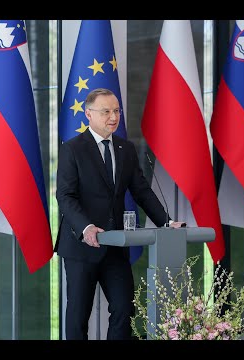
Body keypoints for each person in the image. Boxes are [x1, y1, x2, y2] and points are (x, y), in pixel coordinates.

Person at [55, 88, 185, 340]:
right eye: (106, 111)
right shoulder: (72, 149)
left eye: (116, 111)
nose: (113, 116)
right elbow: (65, 196)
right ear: (88, 114)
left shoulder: (126, 148)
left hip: (116, 245)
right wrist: (86, 228)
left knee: (125, 309)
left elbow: (142, 191)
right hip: (83, 245)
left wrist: (166, 222)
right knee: (78, 316)